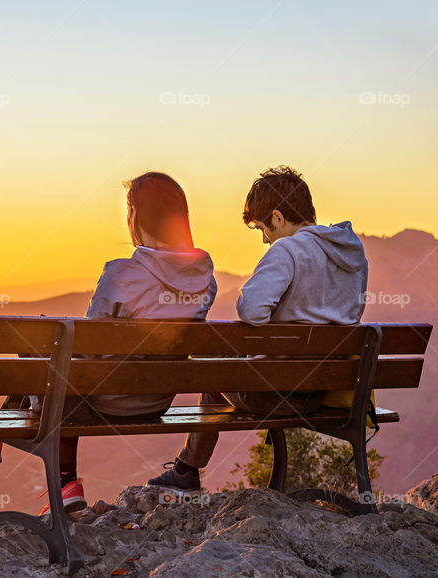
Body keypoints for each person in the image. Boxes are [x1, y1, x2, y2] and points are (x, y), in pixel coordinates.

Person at [0, 172, 218, 514]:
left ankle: (61, 480)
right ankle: (17, 451)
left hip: (106, 401)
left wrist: (51, 340)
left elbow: (88, 353)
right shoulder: (205, 281)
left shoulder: (122, 275)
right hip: (157, 401)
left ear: (134, 215)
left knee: (51, 350)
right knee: (60, 354)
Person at [147, 165, 369, 493]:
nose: (265, 239)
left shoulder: (289, 250)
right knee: (224, 371)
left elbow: (250, 310)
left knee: (211, 372)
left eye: (263, 228)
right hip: (323, 393)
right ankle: (185, 470)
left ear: (278, 217)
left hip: (275, 392)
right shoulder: (352, 254)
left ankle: (186, 471)